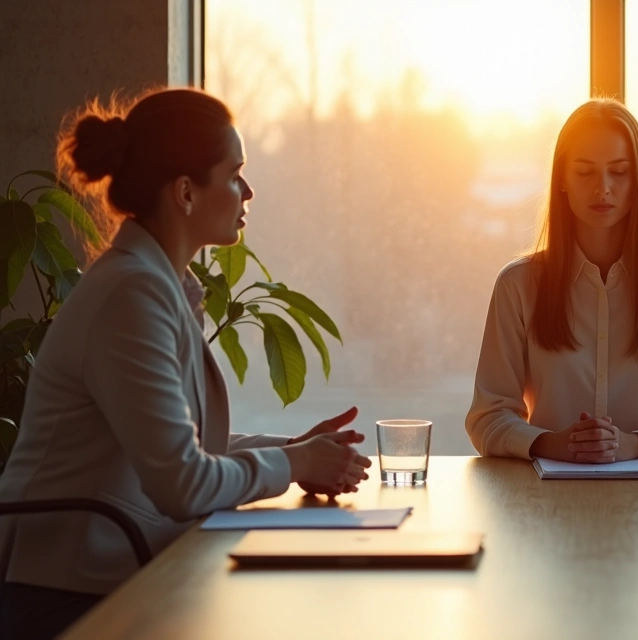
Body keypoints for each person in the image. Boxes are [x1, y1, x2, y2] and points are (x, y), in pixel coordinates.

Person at [0, 88, 372, 638]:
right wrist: (295, 466)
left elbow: (189, 451)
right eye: (234, 173)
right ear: (185, 193)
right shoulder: (131, 295)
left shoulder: (160, 286)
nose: (248, 190)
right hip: (66, 599)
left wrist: (295, 451)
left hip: (120, 573)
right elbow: (183, 484)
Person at [466, 99, 638, 463]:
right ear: (563, 180)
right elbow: (488, 417)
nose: (602, 188)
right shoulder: (518, 285)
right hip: (542, 501)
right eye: (585, 172)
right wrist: (553, 444)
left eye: (618, 172)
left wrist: (634, 445)